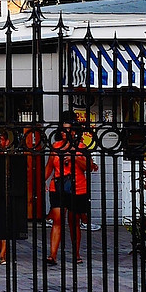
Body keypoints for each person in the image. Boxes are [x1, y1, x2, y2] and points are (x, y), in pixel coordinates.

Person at [44, 110, 95, 266]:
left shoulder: (81, 146)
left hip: (77, 187)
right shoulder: (56, 146)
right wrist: (41, 181)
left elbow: (88, 166)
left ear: (74, 131)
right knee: (57, 219)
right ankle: (52, 255)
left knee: (74, 221)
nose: (66, 133)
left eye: (69, 130)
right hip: (58, 185)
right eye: (64, 130)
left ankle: (76, 253)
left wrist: (75, 156)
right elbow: (49, 167)